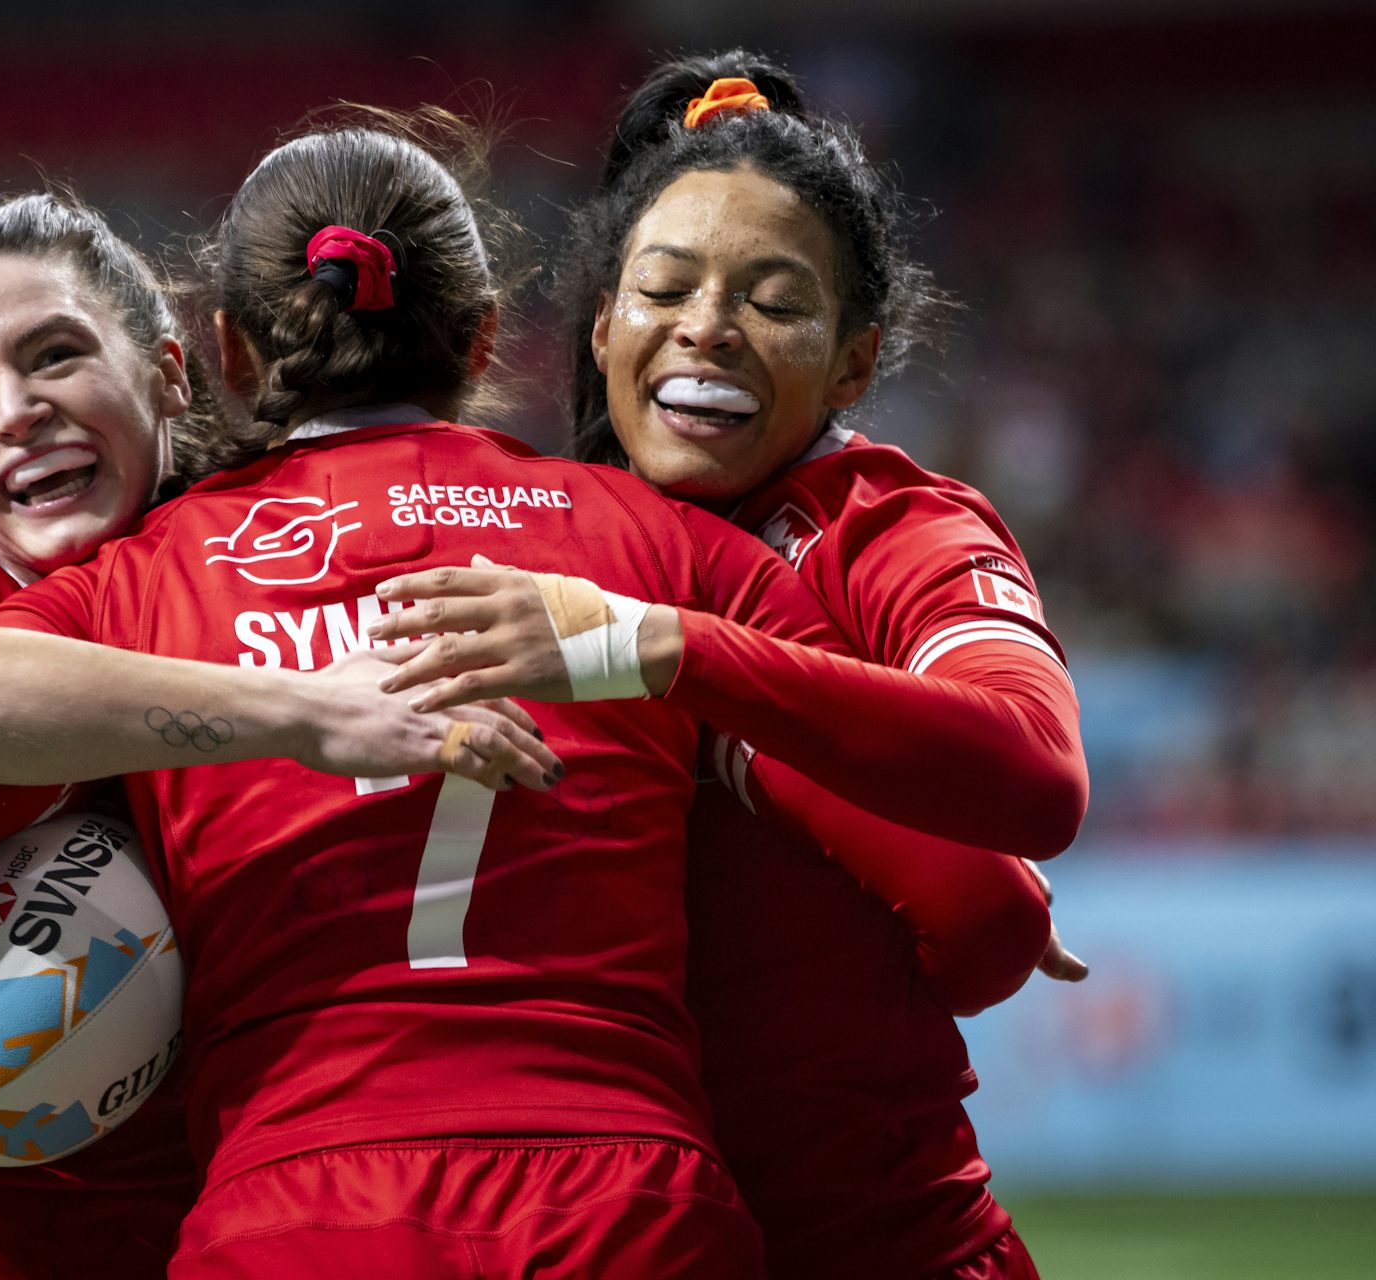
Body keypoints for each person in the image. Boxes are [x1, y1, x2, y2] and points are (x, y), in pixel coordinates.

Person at [0, 191, 557, 1280]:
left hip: (271, 1210)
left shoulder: (237, 538)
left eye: (54, 356)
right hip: (4, 1238)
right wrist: (301, 707)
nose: (14, 412)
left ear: (169, 370)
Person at [366, 52, 1089, 1280]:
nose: (708, 325)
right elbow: (987, 916)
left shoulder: (899, 530)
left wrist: (664, 653)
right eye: (666, 288)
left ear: (855, 364)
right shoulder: (540, 552)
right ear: (602, 329)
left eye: (774, 298)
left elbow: (1033, 772)